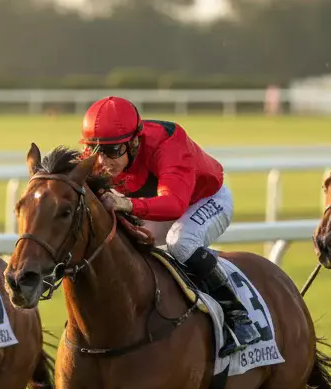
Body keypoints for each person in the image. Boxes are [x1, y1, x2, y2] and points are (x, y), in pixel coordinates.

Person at [80, 96, 260, 355]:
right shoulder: (102, 155)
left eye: (112, 151)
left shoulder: (167, 145)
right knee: (123, 242)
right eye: (96, 151)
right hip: (157, 204)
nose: (103, 162)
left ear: (133, 142)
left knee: (180, 242)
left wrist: (127, 204)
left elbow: (174, 205)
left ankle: (239, 318)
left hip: (206, 200)